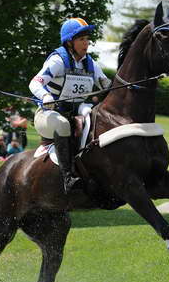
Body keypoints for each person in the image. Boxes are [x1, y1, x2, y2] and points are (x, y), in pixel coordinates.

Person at [28, 17, 111, 193]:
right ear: (69, 42)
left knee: (94, 115)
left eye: (87, 39)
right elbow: (34, 83)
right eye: (81, 39)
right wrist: (45, 95)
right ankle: (68, 178)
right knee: (63, 124)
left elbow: (106, 84)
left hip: (76, 110)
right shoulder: (58, 61)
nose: (86, 43)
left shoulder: (90, 63)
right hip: (48, 114)